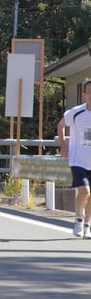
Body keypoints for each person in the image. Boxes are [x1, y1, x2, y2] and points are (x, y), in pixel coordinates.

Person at [57, 78, 91, 238]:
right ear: (84, 94)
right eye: (89, 92)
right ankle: (78, 218)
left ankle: (87, 225)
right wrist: (63, 146)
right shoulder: (76, 112)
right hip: (78, 160)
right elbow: (60, 126)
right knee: (84, 191)